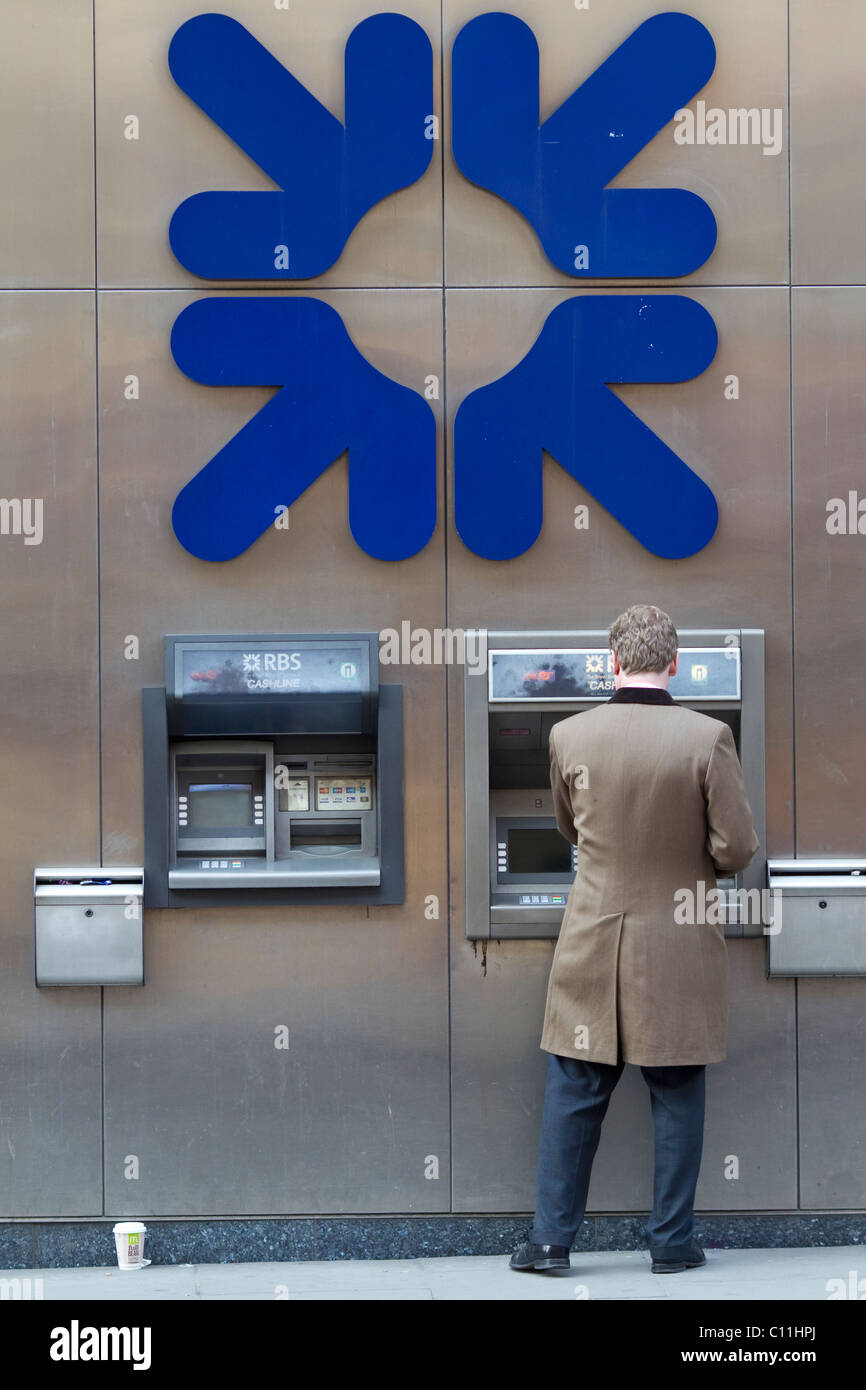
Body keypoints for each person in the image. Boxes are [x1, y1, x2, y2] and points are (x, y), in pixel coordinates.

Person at [510, 604, 760, 1275]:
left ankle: (551, 1244)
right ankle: (671, 1245)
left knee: (576, 1087)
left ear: (611, 662)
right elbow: (736, 848)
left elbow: (569, 827)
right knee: (676, 1092)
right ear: (674, 663)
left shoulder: (569, 734)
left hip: (592, 933)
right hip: (678, 939)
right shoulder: (708, 738)